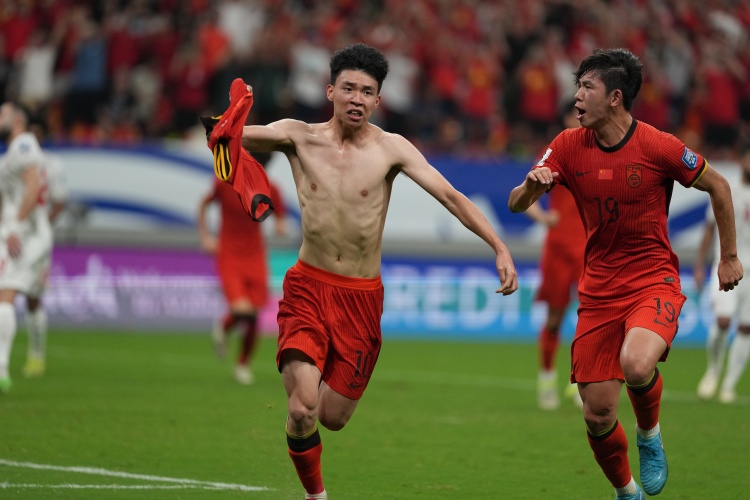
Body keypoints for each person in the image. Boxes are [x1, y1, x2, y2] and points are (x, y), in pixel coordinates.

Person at [225, 43, 518, 499]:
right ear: (330, 91)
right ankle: (317, 495)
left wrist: (499, 247)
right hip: (308, 288)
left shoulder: (392, 149)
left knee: (331, 418)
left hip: (361, 299)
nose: (356, 98)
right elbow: (233, 138)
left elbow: (451, 196)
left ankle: (311, 428)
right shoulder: (297, 136)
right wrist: (222, 125)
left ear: (378, 100)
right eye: (348, 88)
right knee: (302, 409)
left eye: (366, 91)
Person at [508, 48, 743, 500]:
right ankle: (626, 492)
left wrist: (729, 256)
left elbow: (719, 185)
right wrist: (529, 188)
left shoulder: (658, 146)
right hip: (598, 291)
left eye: (586, 87)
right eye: (577, 86)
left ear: (615, 97)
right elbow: (517, 203)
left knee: (636, 364)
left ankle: (649, 434)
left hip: (653, 279)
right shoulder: (567, 144)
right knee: (596, 414)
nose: (577, 96)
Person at [197, 151, 288, 385]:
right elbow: (204, 204)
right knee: (242, 309)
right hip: (229, 254)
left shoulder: (271, 188)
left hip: (255, 255)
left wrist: (280, 225)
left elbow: (280, 214)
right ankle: (225, 325)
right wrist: (206, 237)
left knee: (254, 315)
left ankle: (242, 364)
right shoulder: (224, 183)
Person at [526, 103, 585, 411]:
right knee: (555, 318)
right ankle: (547, 379)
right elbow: (526, 193)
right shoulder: (555, 154)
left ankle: (579, 382)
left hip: (590, 249)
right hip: (560, 248)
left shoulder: (602, 151)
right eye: (574, 113)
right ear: (564, 119)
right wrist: (543, 218)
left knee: (590, 319)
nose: (579, 118)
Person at [0, 101, 53, 393]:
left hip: (26, 236)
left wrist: (16, 226)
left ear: (18, 119)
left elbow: (33, 186)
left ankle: (3, 368)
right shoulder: (10, 153)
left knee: (7, 292)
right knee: (16, 294)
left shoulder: (23, 145)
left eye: (3, 114)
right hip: (18, 234)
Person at [694, 144, 750, 404]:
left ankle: (729, 385)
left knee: (746, 328)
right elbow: (709, 230)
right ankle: (713, 370)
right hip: (726, 267)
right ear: (741, 160)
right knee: (724, 320)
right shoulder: (727, 189)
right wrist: (699, 264)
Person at [21, 123, 68, 378]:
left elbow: (60, 200)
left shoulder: (52, 164)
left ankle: (36, 355)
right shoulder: (10, 162)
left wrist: (43, 226)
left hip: (37, 239)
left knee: (33, 296)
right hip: (12, 235)